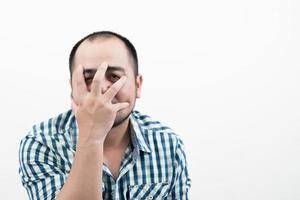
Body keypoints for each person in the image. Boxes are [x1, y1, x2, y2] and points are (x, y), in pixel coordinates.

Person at [19, 31, 191, 200]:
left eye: (114, 76)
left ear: (138, 85)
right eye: (88, 78)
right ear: (73, 87)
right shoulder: (41, 143)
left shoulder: (168, 143)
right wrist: (92, 136)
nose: (101, 88)